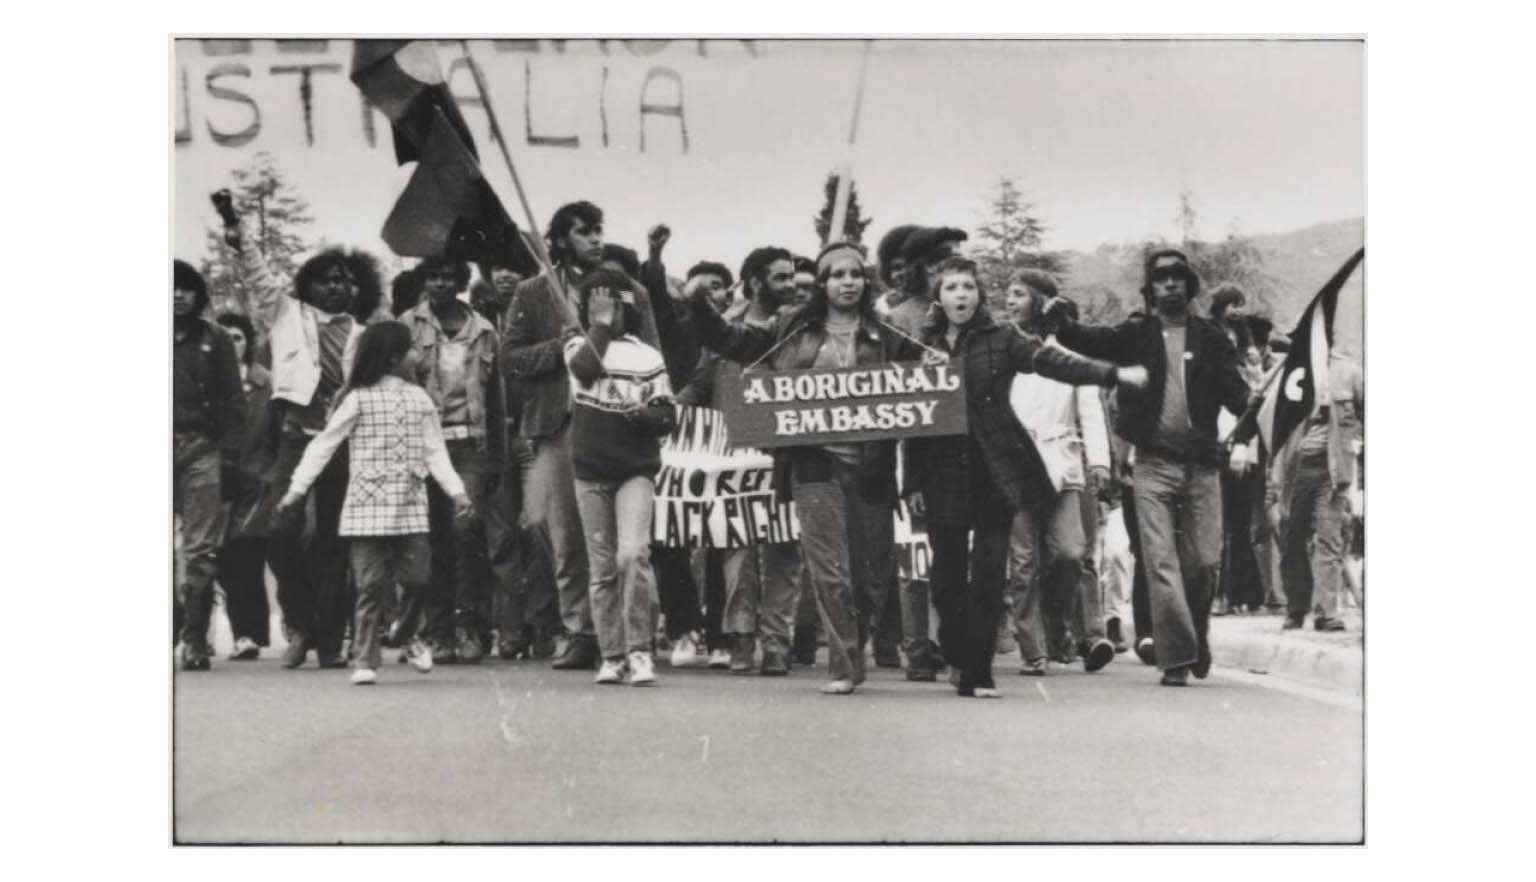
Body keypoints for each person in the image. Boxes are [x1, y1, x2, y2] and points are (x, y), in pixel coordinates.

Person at [682, 241, 924, 695]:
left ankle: (854, 647)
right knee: (830, 570)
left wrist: (933, 364)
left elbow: (924, 387)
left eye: (855, 274)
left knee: (871, 576)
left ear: (865, 281)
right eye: (836, 275)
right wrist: (698, 305)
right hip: (815, 464)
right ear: (824, 283)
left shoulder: (887, 332)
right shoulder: (791, 325)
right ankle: (844, 665)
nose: (847, 282)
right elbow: (733, 342)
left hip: (871, 467)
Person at [905, 259, 1141, 697]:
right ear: (938, 298)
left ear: (979, 296)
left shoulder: (1001, 339)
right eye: (952, 287)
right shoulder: (919, 347)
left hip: (996, 470)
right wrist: (913, 483)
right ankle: (958, 649)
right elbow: (908, 421)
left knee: (992, 571)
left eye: (968, 287)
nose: (961, 295)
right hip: (940, 473)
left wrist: (1110, 372)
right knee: (946, 576)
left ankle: (978, 671)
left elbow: (1050, 361)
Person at [1046, 249, 1251, 686]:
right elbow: (1091, 340)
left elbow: (1237, 395)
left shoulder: (1212, 338)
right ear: (1151, 288)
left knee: (1204, 562)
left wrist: (1255, 411)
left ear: (1189, 286)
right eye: (1161, 279)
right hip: (1153, 465)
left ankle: (1196, 635)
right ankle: (1175, 656)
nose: (1171, 285)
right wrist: (1061, 321)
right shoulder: (1137, 333)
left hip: (1202, 467)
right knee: (1160, 562)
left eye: (1178, 278)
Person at [221, 190, 383, 670]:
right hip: (295, 438)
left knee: (335, 540)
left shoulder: (363, 334)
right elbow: (256, 272)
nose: (337, 288)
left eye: (345, 282)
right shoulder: (286, 316)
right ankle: (301, 621)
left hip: (342, 443)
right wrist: (236, 228)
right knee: (280, 532)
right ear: (308, 285)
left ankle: (329, 639)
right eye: (327, 280)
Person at [275, 321, 472, 685]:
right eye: (412, 348)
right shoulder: (357, 398)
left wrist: (456, 491)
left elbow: (435, 451)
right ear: (395, 357)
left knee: (418, 578)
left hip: (411, 503)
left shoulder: (420, 400)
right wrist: (297, 489)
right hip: (366, 505)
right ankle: (365, 659)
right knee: (370, 584)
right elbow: (324, 444)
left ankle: (405, 634)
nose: (418, 354)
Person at [675, 246, 805, 676]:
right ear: (754, 283)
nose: (791, 285)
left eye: (792, 277)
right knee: (738, 549)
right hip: (734, 454)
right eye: (781, 278)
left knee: (785, 549)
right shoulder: (726, 329)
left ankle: (778, 643)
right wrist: (666, 414)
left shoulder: (800, 327)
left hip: (789, 450)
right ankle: (742, 635)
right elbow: (699, 384)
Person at [1002, 273, 1121, 676]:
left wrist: (1100, 461)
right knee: (1022, 563)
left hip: (1062, 462)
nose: (1010, 301)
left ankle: (1059, 625)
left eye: (1018, 295)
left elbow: (1088, 404)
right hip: (1015, 464)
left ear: (1040, 301)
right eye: (1007, 295)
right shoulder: (1003, 345)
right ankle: (1032, 648)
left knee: (1070, 552)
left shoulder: (1068, 349)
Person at [563, 270, 677, 685]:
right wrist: (599, 326)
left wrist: (645, 415)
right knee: (602, 567)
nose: (610, 314)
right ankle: (611, 653)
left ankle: (640, 649)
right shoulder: (579, 345)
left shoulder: (647, 356)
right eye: (598, 306)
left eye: (614, 307)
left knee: (633, 554)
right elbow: (585, 370)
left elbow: (668, 415)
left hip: (635, 468)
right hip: (591, 469)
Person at [403, 255, 507, 664]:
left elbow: (496, 398)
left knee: (468, 531)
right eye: (433, 277)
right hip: (425, 446)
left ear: (461, 281)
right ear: (424, 281)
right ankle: (438, 631)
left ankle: (470, 627)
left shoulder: (484, 330)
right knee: (433, 539)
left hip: (470, 445)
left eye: (448, 277)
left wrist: (497, 456)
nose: (441, 284)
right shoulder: (407, 324)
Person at [880, 225, 968, 680]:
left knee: (954, 552)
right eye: (938, 264)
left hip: (961, 454)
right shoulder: (901, 321)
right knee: (913, 550)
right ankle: (918, 645)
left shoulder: (970, 317)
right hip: (913, 451)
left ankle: (952, 639)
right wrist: (909, 476)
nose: (946, 272)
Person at [638, 225, 711, 667]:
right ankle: (643, 632)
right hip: (642, 436)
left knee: (675, 540)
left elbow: (705, 375)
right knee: (647, 541)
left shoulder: (689, 330)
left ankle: (685, 628)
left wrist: (675, 404)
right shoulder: (638, 332)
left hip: (686, 437)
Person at [172, 261, 244, 671]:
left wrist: (230, 459)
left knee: (199, 551)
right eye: (170, 288)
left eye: (185, 288)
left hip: (202, 448)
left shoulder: (215, 339)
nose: (177, 296)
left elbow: (235, 401)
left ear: (198, 295)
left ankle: (194, 639)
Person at [214, 311, 274, 660]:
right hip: (216, 476)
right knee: (218, 556)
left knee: (247, 556)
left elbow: (276, 429)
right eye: (224, 337)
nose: (231, 343)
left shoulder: (267, 382)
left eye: (237, 337)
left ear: (248, 342)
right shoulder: (206, 381)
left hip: (256, 477)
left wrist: (269, 472)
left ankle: (249, 633)